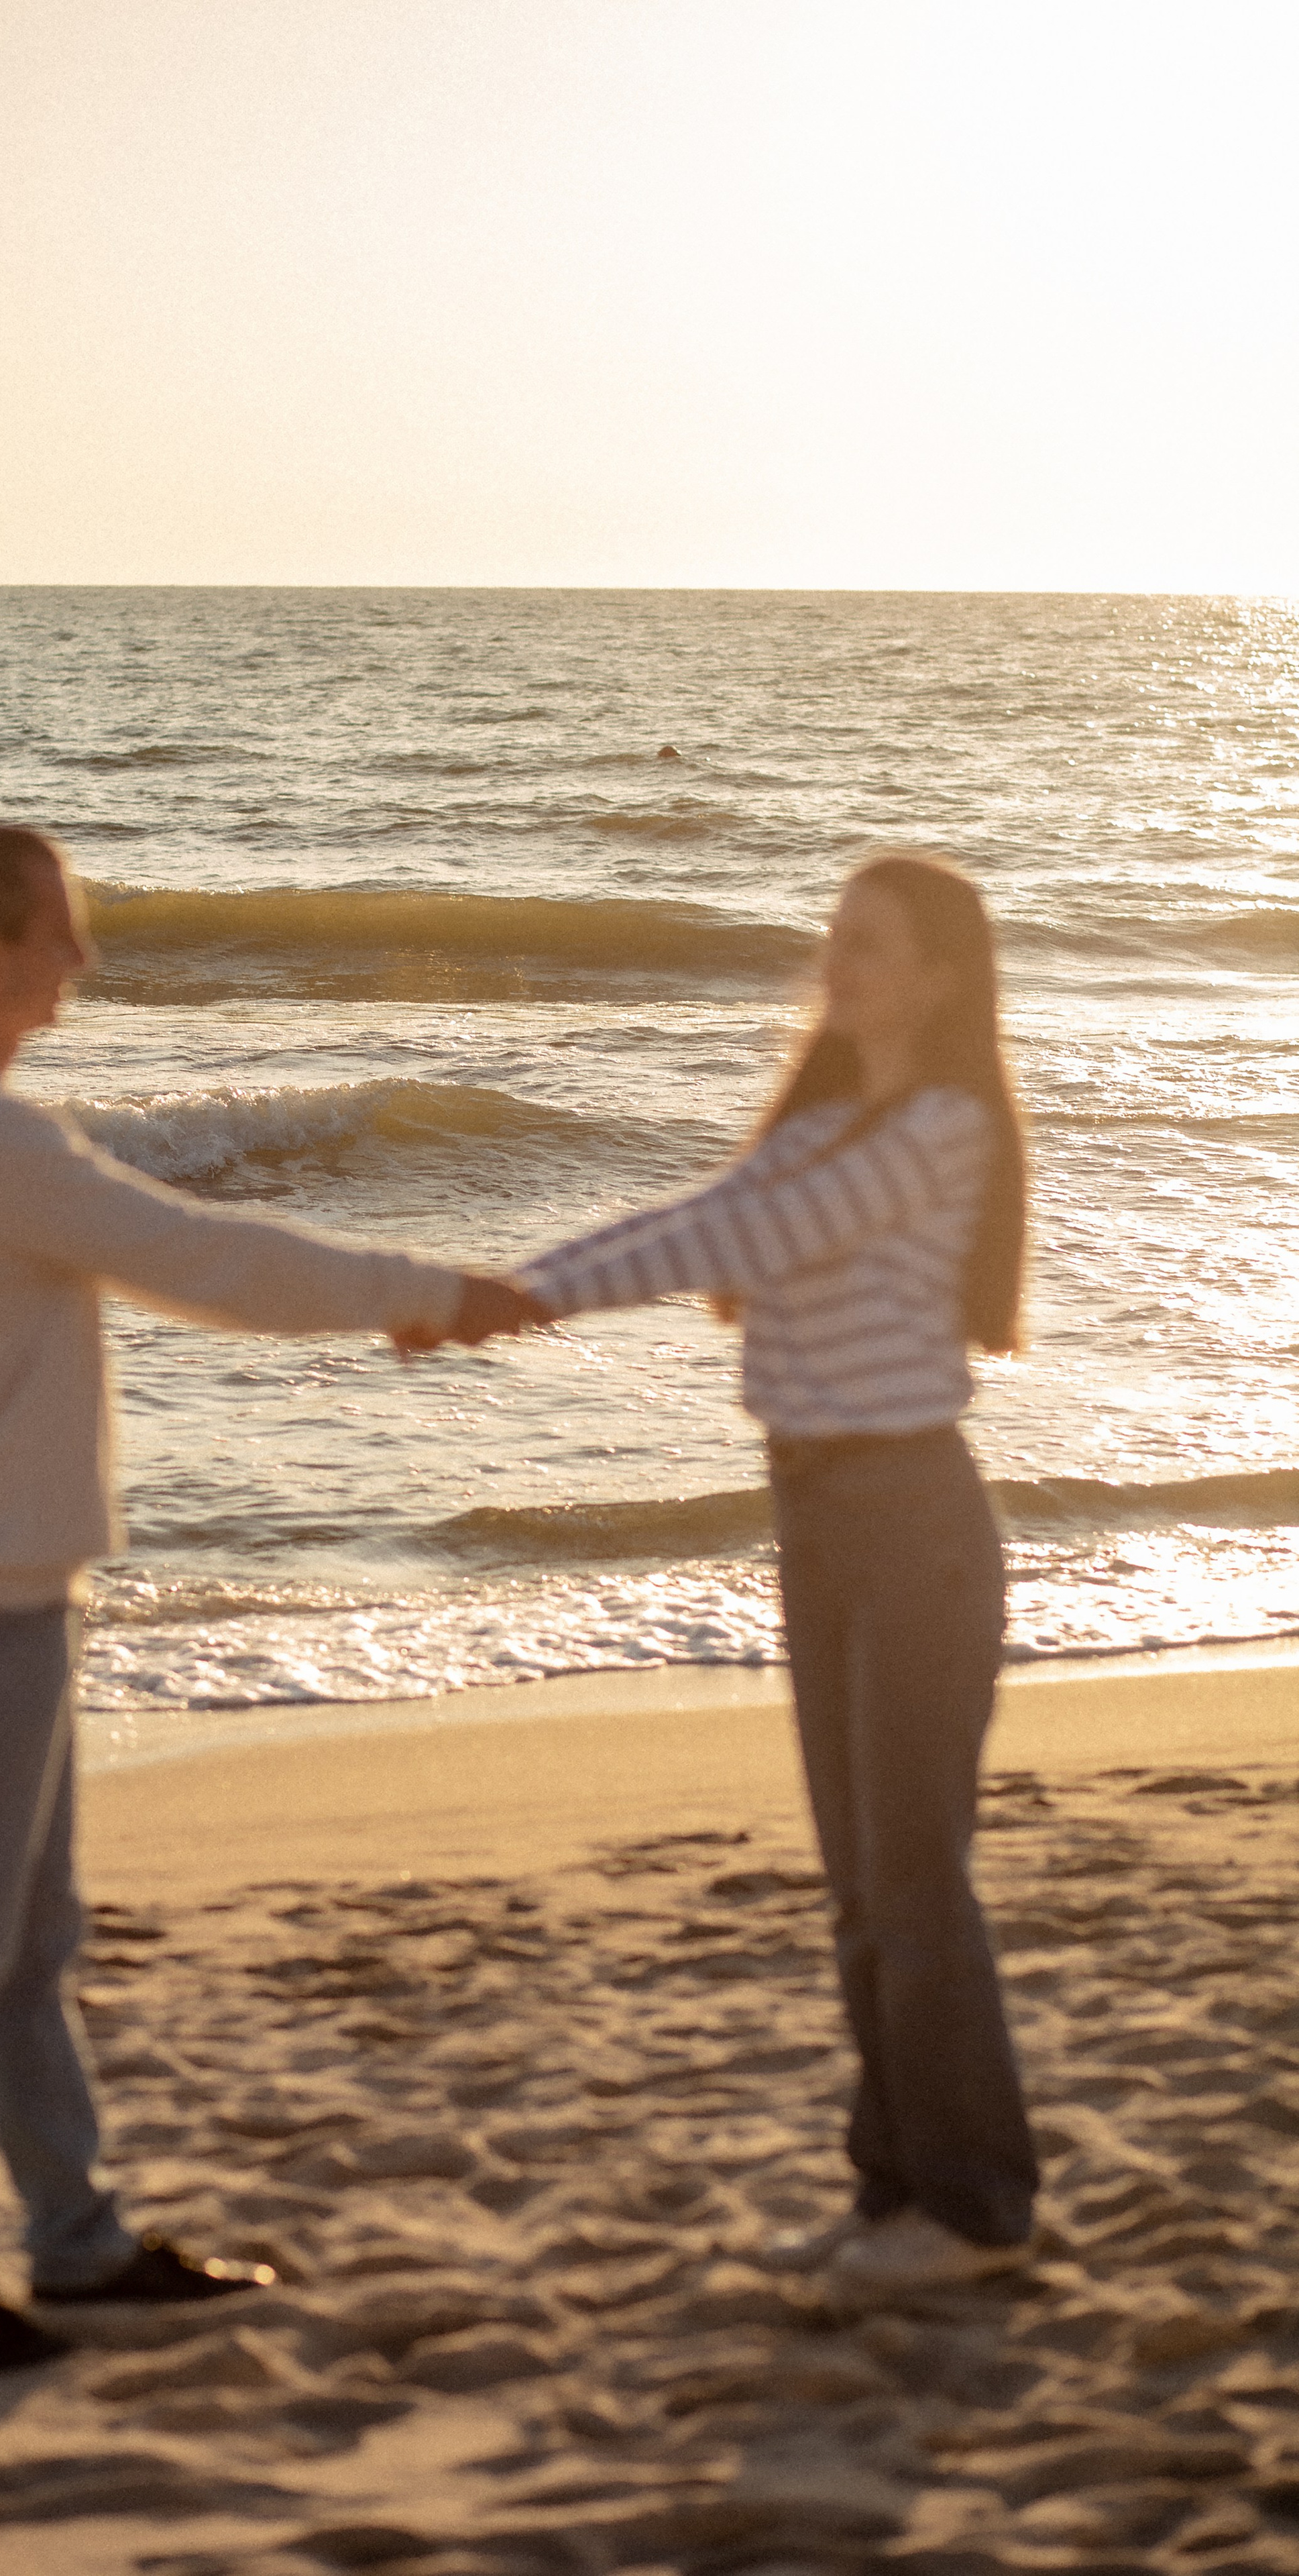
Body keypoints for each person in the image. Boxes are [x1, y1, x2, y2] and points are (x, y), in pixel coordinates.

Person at [0, 824, 532, 2372]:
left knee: (26, 1950)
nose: (84, 959)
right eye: (60, 932)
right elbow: (206, 1261)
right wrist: (422, 1293)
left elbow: (182, 1263)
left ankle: (74, 2248)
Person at [514, 850, 1038, 2298]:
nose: (838, 961)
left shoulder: (934, 1131)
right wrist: (514, 1284)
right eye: (834, 937)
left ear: (935, 975)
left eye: (868, 942)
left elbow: (730, 1237)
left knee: (915, 1885)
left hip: (909, 1519)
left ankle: (978, 2209)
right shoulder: (815, 1128)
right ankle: (892, 2199)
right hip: (814, 1517)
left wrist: (525, 1297)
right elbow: (693, 1221)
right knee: (859, 1891)